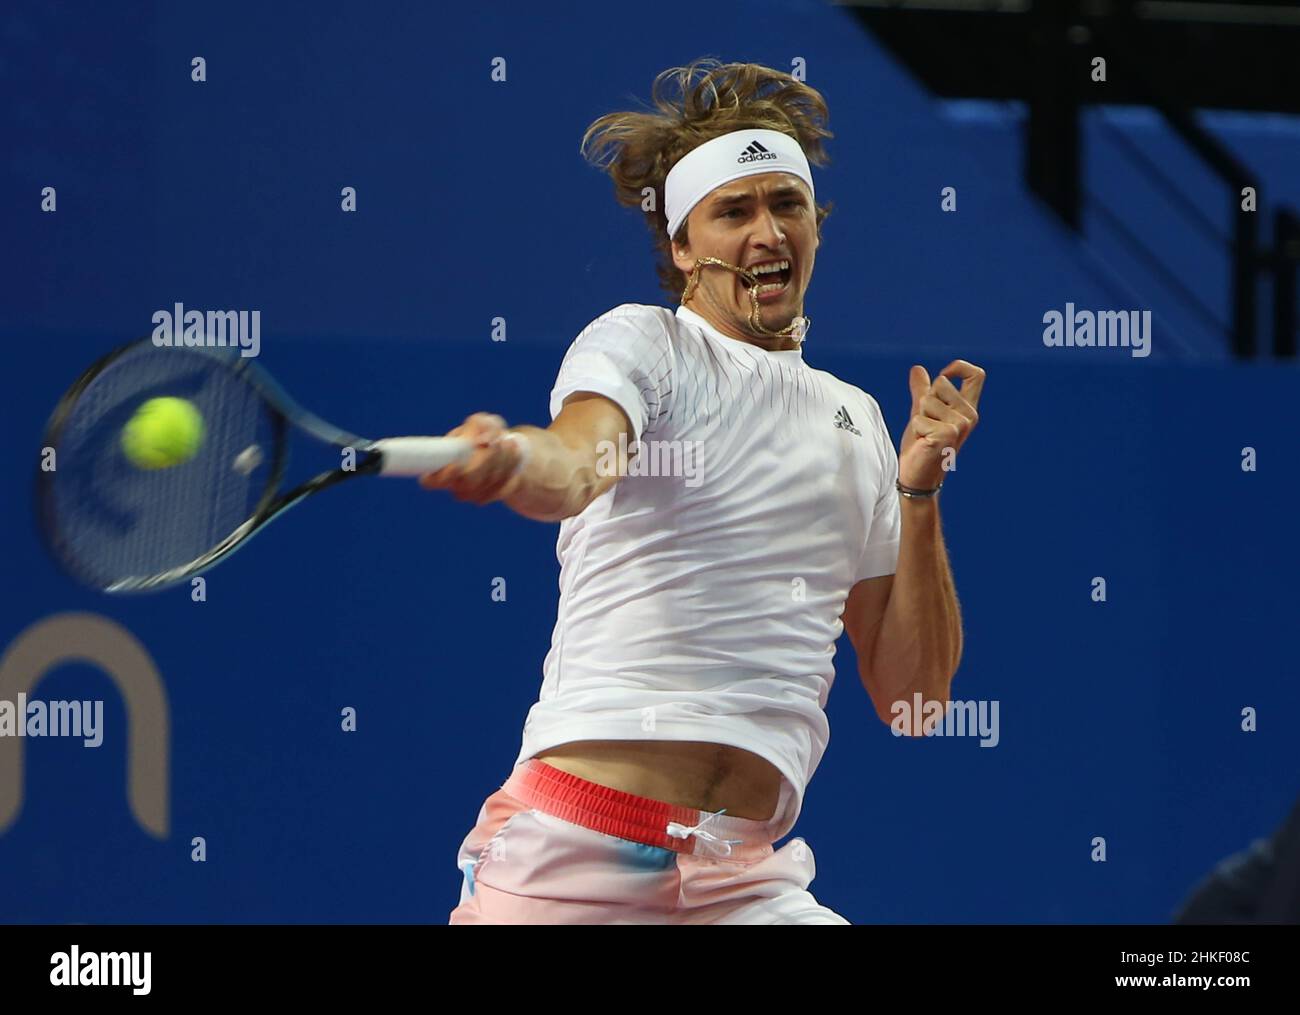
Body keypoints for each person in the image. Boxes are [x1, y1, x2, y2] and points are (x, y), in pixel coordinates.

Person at [424, 58, 985, 924]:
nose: (767, 233)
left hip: (744, 879)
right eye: (734, 211)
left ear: (816, 227)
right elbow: (577, 463)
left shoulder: (859, 420)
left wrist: (918, 492)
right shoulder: (643, 345)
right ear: (683, 247)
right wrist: (512, 460)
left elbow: (915, 703)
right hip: (575, 855)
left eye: (786, 204)